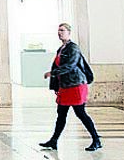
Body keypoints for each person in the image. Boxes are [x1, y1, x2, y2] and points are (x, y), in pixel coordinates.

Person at [39, 22, 102, 151]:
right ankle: (53, 141)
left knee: (80, 113)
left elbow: (70, 66)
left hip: (75, 85)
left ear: (69, 32)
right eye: (58, 30)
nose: (59, 33)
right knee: (61, 114)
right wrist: (56, 85)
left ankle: (96, 140)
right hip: (65, 86)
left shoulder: (73, 48)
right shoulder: (61, 49)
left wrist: (52, 73)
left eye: (62, 30)